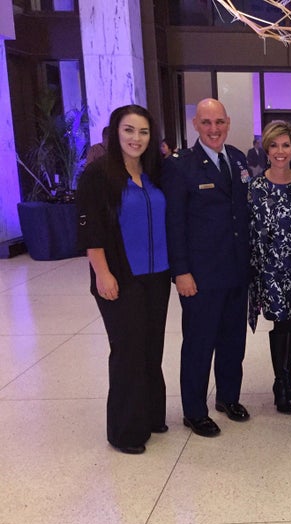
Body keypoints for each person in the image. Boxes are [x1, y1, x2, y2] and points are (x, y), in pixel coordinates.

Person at [76, 105, 170, 455]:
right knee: (128, 351)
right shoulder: (99, 174)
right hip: (119, 276)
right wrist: (102, 273)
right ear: (116, 133)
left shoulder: (153, 172)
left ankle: (150, 416)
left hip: (157, 275)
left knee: (151, 349)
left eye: (143, 132)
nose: (136, 138)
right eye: (129, 130)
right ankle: (125, 431)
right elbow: (90, 229)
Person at [163, 98, 251, 438]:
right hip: (200, 275)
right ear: (195, 125)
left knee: (233, 342)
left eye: (219, 122)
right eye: (206, 123)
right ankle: (194, 411)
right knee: (200, 344)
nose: (214, 129)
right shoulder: (180, 166)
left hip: (236, 271)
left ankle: (228, 398)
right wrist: (180, 271)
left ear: (228, 123)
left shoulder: (239, 159)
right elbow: (175, 223)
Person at [248, 120, 291, 414]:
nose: (280, 151)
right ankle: (279, 382)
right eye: (274, 145)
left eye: (285, 145)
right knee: (280, 321)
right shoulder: (256, 187)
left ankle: (289, 376)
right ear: (266, 149)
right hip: (270, 268)